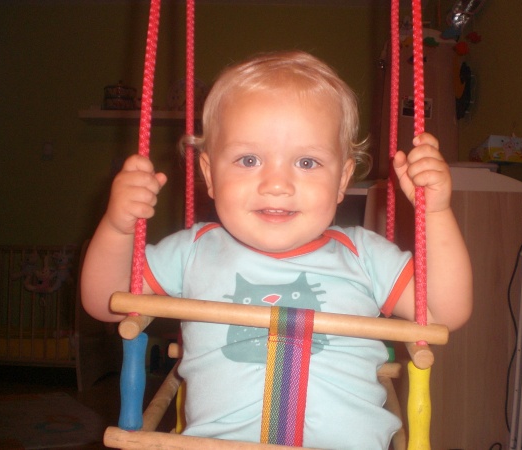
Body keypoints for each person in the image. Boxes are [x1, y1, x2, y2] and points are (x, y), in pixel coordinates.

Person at [81, 50, 472, 449]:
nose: (277, 184)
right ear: (209, 174)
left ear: (342, 179)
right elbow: (106, 301)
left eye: (307, 162)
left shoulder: (364, 256)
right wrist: (117, 228)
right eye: (249, 159)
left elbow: (444, 311)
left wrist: (436, 213)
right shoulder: (194, 250)